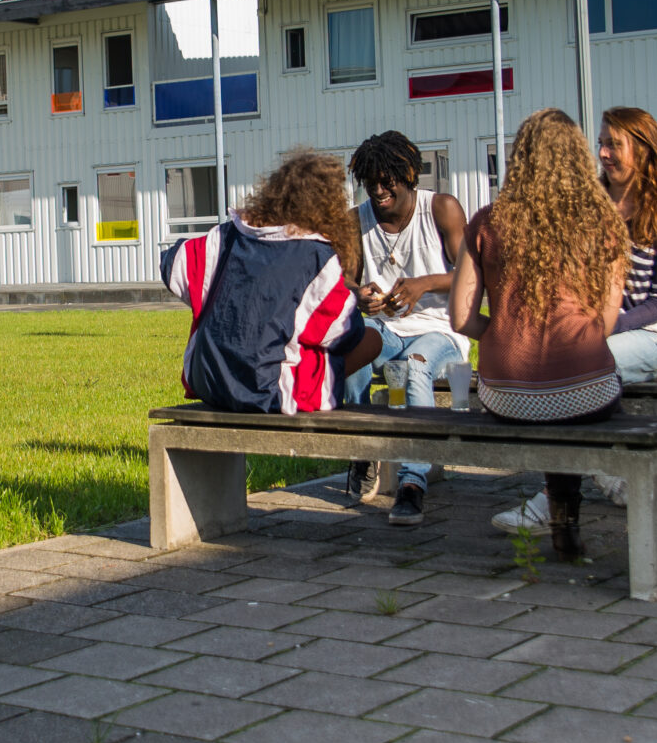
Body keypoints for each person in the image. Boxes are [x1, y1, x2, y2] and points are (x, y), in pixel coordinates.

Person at [495, 105, 657, 536]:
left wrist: (602, 329)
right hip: (580, 335)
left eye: (613, 144)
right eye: (600, 143)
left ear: (642, 150)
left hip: (641, 337)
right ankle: (600, 472)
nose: (603, 153)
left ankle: (552, 500)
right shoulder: (586, 206)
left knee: (573, 374)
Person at [452, 109, 627, 562]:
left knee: (549, 395)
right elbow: (604, 324)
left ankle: (560, 514)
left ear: (519, 158)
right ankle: (566, 518)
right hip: (585, 391)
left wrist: (504, 333)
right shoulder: (604, 222)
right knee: (573, 394)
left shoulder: (487, 222)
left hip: (506, 393)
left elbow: (459, 319)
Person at [163, 147, 381, 413]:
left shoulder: (225, 236)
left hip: (208, 380)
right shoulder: (316, 257)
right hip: (268, 390)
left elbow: (172, 264)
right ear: (328, 206)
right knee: (371, 339)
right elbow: (344, 332)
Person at [340, 132, 471, 527]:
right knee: (356, 344)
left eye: (387, 181)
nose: (379, 191)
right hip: (389, 328)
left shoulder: (441, 209)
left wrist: (424, 284)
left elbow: (471, 275)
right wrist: (360, 296)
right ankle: (362, 450)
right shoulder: (356, 219)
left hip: (440, 333)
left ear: (408, 174)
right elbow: (343, 280)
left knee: (415, 365)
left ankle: (413, 483)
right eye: (370, 182)